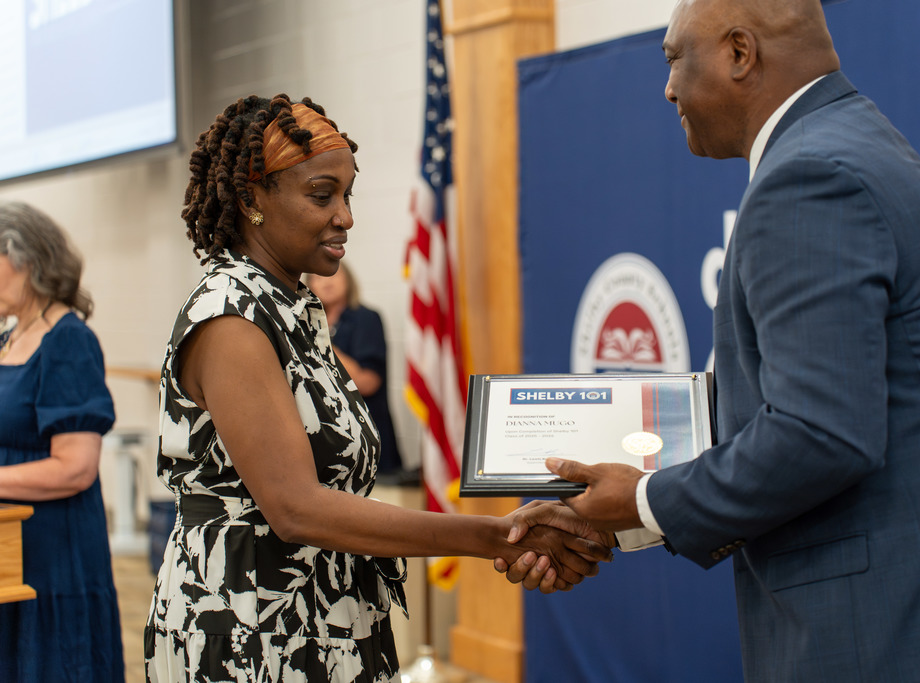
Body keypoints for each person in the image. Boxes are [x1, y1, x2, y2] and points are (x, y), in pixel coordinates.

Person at [502, 0, 920, 680]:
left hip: (906, 616)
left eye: (674, 59)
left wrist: (643, 500)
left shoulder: (809, 177)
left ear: (739, 53)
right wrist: (615, 500)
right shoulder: (849, 142)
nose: (668, 89)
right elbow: (808, 403)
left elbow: (821, 433)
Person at [143, 94, 611, 683]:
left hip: (329, 613)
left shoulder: (291, 309)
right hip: (250, 627)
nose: (345, 216)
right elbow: (296, 509)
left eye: (347, 195)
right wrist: (497, 536)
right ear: (251, 199)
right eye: (322, 195)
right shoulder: (231, 317)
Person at [0, 202, 125, 682]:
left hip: (53, 556)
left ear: (26, 260)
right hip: (11, 552)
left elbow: (75, 467)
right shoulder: (10, 337)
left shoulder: (68, 340)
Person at [307, 262, 407, 480]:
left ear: (348, 280)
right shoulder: (306, 323)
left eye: (333, 274)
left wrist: (322, 343)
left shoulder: (365, 318)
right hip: (323, 444)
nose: (326, 282)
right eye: (318, 277)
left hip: (364, 437)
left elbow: (367, 383)